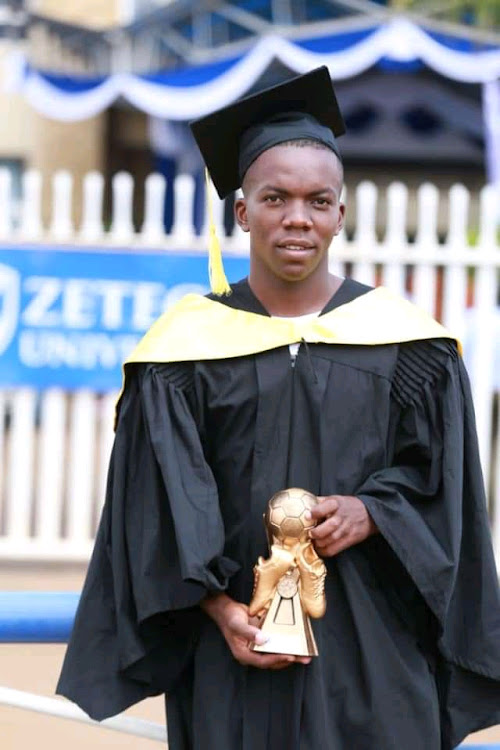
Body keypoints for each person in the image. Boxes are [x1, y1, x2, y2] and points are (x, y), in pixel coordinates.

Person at [57, 67, 500, 750]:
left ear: (340, 213)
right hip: (235, 659)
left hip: (375, 661)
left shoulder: (411, 347)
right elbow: (154, 514)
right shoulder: (184, 352)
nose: (299, 218)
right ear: (243, 211)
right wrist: (219, 611)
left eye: (318, 200)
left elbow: (450, 501)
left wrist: (374, 510)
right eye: (276, 197)